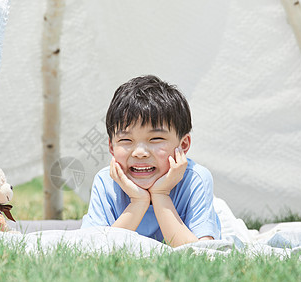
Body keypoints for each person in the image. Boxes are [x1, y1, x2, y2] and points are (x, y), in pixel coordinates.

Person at [81, 75, 221, 247]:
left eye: (155, 139)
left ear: (183, 144)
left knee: (224, 219)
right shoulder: (106, 182)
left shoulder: (195, 180)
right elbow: (94, 248)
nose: (140, 153)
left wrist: (161, 194)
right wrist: (138, 201)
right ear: (111, 147)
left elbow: (199, 252)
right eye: (126, 141)